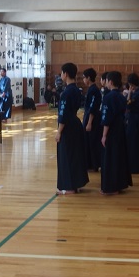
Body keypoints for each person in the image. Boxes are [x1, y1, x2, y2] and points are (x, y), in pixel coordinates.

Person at [55, 62, 89, 195]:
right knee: (75, 155)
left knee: (67, 155)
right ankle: (76, 183)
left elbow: (63, 114)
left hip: (68, 127)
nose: (61, 75)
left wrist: (59, 131)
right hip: (75, 124)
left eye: (62, 73)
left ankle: (69, 187)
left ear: (66, 74)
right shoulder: (76, 90)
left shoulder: (66, 93)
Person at [100, 71, 132, 195]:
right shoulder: (121, 96)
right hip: (120, 129)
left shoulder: (108, 97)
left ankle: (111, 187)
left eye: (107, 81)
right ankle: (120, 184)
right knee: (119, 156)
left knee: (110, 158)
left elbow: (107, 118)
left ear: (111, 82)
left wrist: (104, 135)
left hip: (112, 130)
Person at [82, 68, 102, 172]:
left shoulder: (94, 90)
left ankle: (94, 164)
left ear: (89, 78)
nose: (83, 80)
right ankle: (90, 163)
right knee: (88, 141)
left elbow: (93, 107)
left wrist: (89, 122)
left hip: (92, 119)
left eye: (84, 77)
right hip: (88, 116)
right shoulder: (91, 89)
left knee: (92, 141)